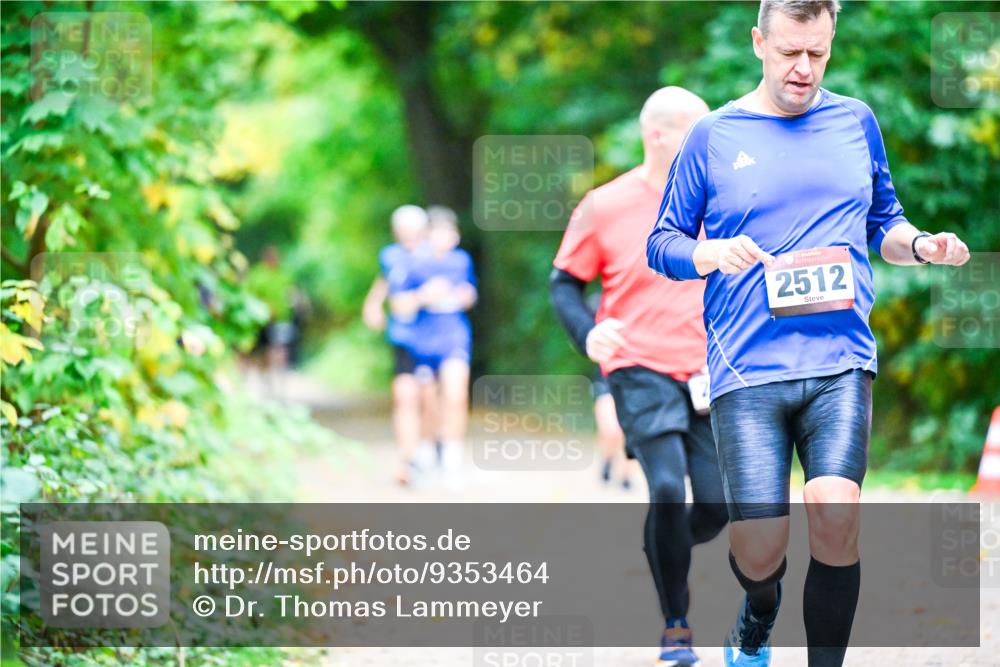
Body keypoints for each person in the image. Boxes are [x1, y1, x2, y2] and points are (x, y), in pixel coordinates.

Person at [646, 2, 971, 666]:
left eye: (817, 55)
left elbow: (887, 223)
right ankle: (757, 612)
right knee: (759, 552)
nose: (803, 69)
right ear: (760, 42)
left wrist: (925, 246)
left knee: (835, 514)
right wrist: (707, 255)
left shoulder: (856, 122)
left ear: (831, 44)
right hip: (747, 368)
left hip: (840, 358)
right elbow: (662, 243)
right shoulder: (714, 134)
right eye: (791, 52)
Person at [550, 86, 729, 667]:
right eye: (694, 132)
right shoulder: (605, 204)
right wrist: (588, 334)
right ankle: (676, 626)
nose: (707, 144)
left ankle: (663, 543)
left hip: (707, 370)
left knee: (719, 505)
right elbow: (563, 284)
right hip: (637, 366)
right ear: (659, 135)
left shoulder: (719, 202)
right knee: (669, 489)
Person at [392, 206, 477, 486]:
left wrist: (465, 296)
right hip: (423, 341)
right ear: (428, 235)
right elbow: (398, 304)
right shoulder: (414, 263)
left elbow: (470, 292)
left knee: (456, 394)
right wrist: (423, 296)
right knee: (428, 402)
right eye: (439, 232)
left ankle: (453, 456)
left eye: (450, 232)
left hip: (454, 335)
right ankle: (427, 450)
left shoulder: (461, 261)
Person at [362, 205, 436, 485]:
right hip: (402, 338)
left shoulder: (434, 256)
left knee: (430, 401)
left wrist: (418, 298)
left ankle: (429, 451)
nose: (407, 236)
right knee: (405, 397)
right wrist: (372, 305)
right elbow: (384, 284)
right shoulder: (390, 256)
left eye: (412, 231)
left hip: (432, 340)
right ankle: (407, 459)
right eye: (402, 231)